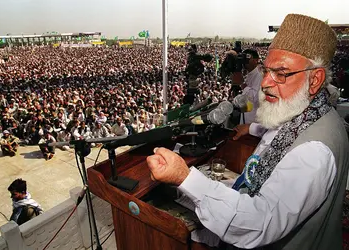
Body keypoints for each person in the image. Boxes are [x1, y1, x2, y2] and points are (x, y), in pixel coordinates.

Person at [146, 14, 349, 250]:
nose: (265, 83)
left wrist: (185, 178)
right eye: (266, 70)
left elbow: (260, 221)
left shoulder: (313, 152)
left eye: (281, 73)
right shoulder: (304, 111)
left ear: (315, 80)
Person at [237, 49, 263, 124]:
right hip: (247, 114)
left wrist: (244, 86)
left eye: (248, 58)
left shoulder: (259, 75)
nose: (245, 61)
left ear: (256, 60)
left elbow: (256, 98)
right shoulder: (249, 73)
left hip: (253, 118)